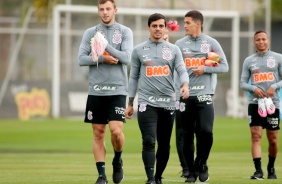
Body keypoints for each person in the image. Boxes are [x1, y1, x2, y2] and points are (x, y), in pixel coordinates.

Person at [125, 13, 189, 184]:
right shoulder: (138, 50)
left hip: (168, 103)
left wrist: (185, 84)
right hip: (147, 103)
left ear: (165, 28)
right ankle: (150, 178)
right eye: (155, 26)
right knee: (148, 140)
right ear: (149, 28)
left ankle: (158, 176)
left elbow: (182, 70)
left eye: (161, 26)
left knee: (165, 144)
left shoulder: (174, 49)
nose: (158, 29)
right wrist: (130, 103)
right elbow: (133, 77)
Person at [77, 0, 133, 183]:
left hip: (117, 90)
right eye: (101, 9)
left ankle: (117, 160)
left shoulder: (125, 31)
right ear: (98, 11)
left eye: (108, 9)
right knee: (98, 133)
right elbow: (81, 59)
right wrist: (102, 58)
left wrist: (106, 46)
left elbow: (126, 57)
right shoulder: (90, 33)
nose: (105, 12)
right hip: (96, 90)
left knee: (116, 131)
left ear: (115, 10)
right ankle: (101, 175)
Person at [175, 10, 229, 183]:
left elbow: (224, 66)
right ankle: (191, 171)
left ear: (198, 24)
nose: (184, 25)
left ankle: (202, 163)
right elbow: (174, 68)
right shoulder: (179, 44)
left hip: (205, 95)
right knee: (187, 134)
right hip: (185, 96)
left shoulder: (211, 43)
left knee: (206, 131)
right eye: (184, 22)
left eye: (187, 22)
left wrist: (205, 69)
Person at [240, 30, 282, 180]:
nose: (261, 42)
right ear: (254, 42)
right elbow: (243, 83)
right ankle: (258, 171)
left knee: (273, 139)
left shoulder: (278, 58)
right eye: (258, 39)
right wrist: (254, 88)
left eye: (263, 39)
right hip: (255, 103)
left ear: (268, 41)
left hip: (273, 104)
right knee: (256, 136)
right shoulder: (249, 60)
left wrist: (275, 87)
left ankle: (271, 168)